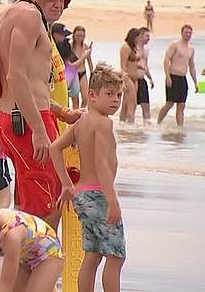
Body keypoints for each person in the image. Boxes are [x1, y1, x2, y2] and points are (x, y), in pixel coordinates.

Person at [0, 0, 77, 227]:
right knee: (42, 212)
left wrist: (60, 113)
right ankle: (33, 269)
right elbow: (15, 77)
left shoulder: (15, 14)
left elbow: (30, 81)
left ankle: (32, 267)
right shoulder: (28, 16)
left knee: (39, 202)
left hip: (25, 118)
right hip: (27, 123)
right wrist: (40, 131)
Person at [50, 63, 126, 292]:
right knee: (115, 256)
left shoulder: (81, 121)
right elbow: (102, 163)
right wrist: (112, 200)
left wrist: (66, 184)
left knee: (92, 256)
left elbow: (55, 148)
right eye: (109, 94)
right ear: (92, 95)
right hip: (100, 195)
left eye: (119, 95)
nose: (116, 100)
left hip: (82, 194)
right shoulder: (104, 122)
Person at [157, 25, 198, 127]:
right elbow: (166, 60)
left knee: (182, 105)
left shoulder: (191, 49)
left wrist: (196, 83)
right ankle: (158, 122)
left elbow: (192, 66)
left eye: (190, 33)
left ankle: (180, 128)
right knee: (169, 103)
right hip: (173, 76)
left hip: (182, 78)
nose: (188, 35)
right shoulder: (175, 45)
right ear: (182, 33)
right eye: (186, 32)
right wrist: (167, 76)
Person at [118, 28, 141, 124]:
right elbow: (123, 65)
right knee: (133, 104)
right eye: (138, 37)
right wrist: (124, 79)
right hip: (128, 78)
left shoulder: (134, 48)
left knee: (126, 104)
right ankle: (131, 127)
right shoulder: (125, 48)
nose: (139, 39)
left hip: (135, 79)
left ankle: (123, 125)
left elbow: (134, 63)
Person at [71, 25, 94, 108]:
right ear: (74, 35)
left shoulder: (85, 47)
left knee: (85, 98)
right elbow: (70, 64)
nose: (80, 38)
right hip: (73, 75)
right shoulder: (70, 47)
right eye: (78, 36)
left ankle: (82, 115)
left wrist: (93, 75)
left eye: (82, 36)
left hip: (83, 73)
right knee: (75, 100)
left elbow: (89, 62)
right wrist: (83, 55)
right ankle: (75, 118)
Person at [135, 27, 155, 121]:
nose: (148, 38)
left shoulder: (146, 50)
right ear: (140, 36)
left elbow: (145, 66)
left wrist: (150, 78)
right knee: (132, 105)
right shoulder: (133, 48)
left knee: (145, 105)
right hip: (133, 79)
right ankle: (127, 126)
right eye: (147, 36)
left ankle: (146, 127)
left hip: (142, 79)